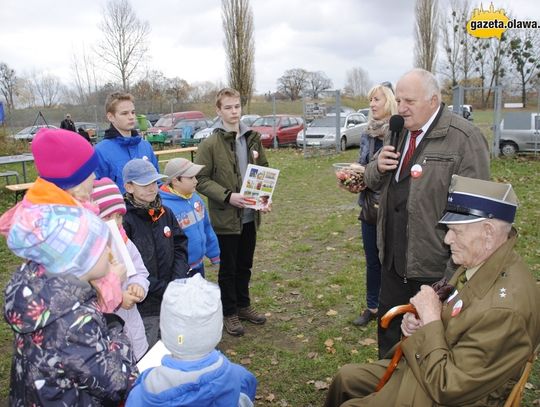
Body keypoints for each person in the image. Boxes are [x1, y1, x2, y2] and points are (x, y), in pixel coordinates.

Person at [324, 175, 540, 406]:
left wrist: (429, 319)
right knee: (345, 379)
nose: (447, 239)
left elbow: (448, 387)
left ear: (488, 232)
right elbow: (457, 321)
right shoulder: (481, 263)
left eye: (456, 231)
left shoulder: (503, 310)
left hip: (444, 391)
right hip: (432, 364)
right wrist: (418, 324)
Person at [363, 68, 490, 358]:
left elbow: (474, 216)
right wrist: (377, 166)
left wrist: (448, 280)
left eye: (409, 101)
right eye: (399, 100)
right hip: (393, 264)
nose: (401, 108)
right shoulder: (395, 131)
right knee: (389, 339)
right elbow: (372, 181)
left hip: (435, 269)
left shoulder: (464, 139)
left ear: (434, 101)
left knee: (427, 349)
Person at [4, 204, 138, 406]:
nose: (110, 252)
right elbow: (117, 383)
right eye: (104, 247)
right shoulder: (76, 322)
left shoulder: (39, 293)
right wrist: (115, 329)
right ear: (83, 258)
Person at [195, 87, 269, 337]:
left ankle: (244, 305)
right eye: (228, 107)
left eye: (237, 106)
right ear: (218, 110)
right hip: (226, 218)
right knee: (229, 267)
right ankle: (230, 313)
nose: (234, 111)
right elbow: (201, 179)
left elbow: (264, 170)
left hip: (249, 216)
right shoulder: (210, 144)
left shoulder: (252, 138)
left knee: (245, 265)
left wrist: (264, 198)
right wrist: (229, 196)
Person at [126, 274, 258, 406]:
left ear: (165, 329)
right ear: (217, 329)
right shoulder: (236, 375)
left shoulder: (143, 391)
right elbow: (247, 391)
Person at [122, 158, 190, 348]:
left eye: (154, 182)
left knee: (175, 343)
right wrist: (161, 288)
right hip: (146, 304)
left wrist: (177, 280)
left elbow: (179, 244)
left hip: (172, 296)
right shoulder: (124, 221)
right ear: (129, 187)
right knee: (149, 349)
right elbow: (128, 266)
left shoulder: (165, 212)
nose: (152, 188)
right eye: (144, 184)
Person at [352, 83, 397, 327]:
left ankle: (391, 307)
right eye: (370, 100)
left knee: (390, 260)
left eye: (376, 99)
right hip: (369, 205)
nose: (372, 104)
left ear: (389, 101)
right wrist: (352, 177)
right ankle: (372, 307)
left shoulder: (400, 131)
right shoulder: (368, 133)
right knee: (372, 261)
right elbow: (362, 164)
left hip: (392, 207)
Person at [92, 177, 151, 361]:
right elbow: (89, 292)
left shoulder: (124, 242)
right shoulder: (88, 254)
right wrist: (118, 298)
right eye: (108, 217)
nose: (116, 222)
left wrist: (138, 286)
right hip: (107, 339)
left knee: (138, 364)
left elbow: (140, 271)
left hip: (133, 329)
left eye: (119, 216)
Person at [159, 157, 220, 277]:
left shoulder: (195, 199)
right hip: (179, 270)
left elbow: (206, 227)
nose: (196, 181)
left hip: (199, 265)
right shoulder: (164, 207)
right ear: (176, 180)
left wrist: (214, 253)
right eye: (191, 177)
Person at [94, 91, 159, 193]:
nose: (131, 117)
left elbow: (157, 181)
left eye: (133, 112)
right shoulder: (100, 152)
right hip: (121, 208)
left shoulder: (145, 146)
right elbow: (97, 191)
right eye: (124, 113)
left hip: (150, 208)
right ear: (110, 117)